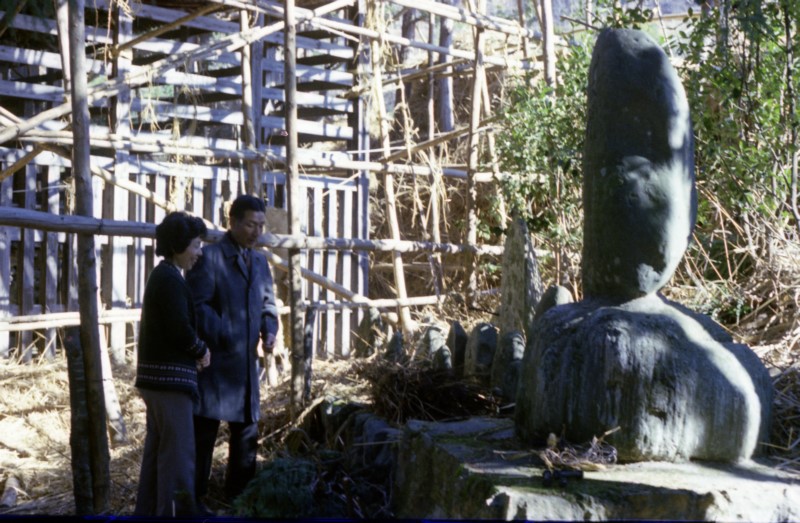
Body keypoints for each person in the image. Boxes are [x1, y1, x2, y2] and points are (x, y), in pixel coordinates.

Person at [186, 194, 280, 503]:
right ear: (233, 222)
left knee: (246, 436)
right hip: (214, 365)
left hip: (246, 367)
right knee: (203, 437)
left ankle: (239, 501)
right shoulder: (210, 257)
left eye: (261, 225)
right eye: (251, 225)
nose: (257, 232)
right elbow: (197, 306)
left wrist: (269, 331)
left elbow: (268, 305)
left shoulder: (260, 261)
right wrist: (226, 331)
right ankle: (193, 503)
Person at [134, 211, 211, 517]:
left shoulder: (165, 275)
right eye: (195, 245)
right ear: (179, 246)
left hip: (157, 383)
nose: (199, 252)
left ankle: (148, 513)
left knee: (158, 455)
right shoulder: (169, 279)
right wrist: (201, 350)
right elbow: (180, 329)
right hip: (168, 385)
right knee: (178, 458)